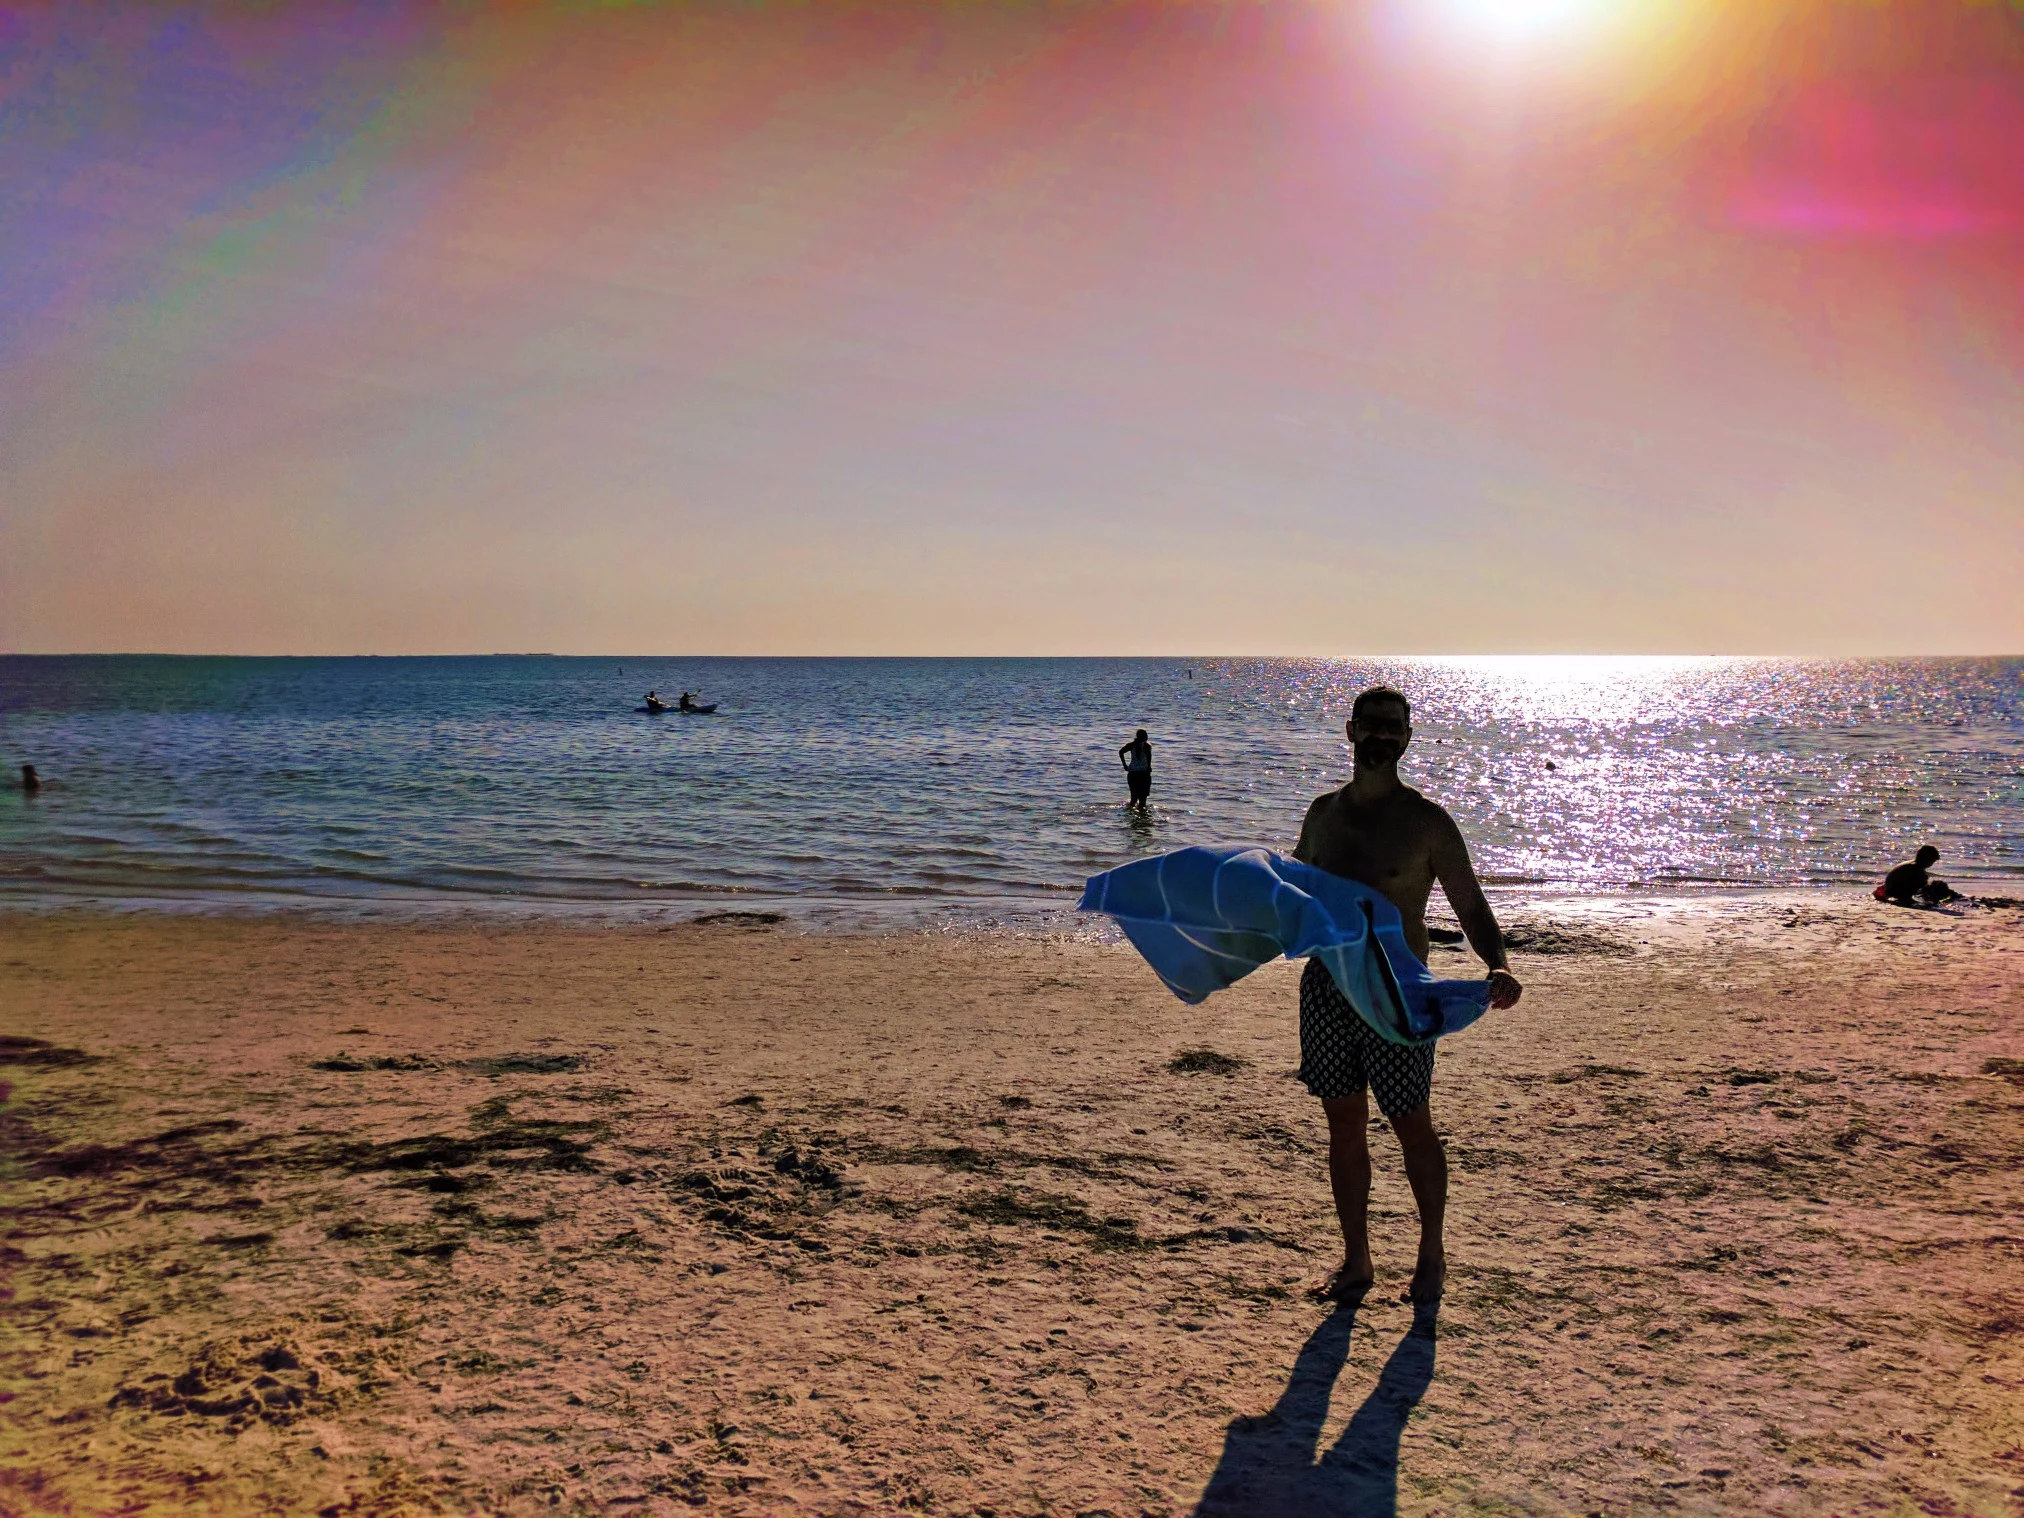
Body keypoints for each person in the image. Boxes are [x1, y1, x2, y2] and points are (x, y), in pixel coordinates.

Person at [1291, 686, 1522, 1307]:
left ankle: (1431, 1255)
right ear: (1351, 731)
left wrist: (1497, 964)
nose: (1382, 737)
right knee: (1343, 1125)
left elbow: (1471, 905)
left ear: (1408, 737)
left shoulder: (1426, 823)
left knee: (1409, 1123)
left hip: (1399, 995)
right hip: (1328, 988)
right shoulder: (1323, 816)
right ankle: (1357, 1260)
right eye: (1372, 726)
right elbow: (1293, 892)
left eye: (1394, 728)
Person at [1876, 845, 1959, 907]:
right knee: (1938, 887)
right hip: (1896, 893)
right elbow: (1923, 888)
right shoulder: (1916, 869)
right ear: (1928, 859)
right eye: (1932, 861)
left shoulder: (1910, 864)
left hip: (1891, 890)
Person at [1118, 729, 1153, 806]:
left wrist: (1125, 765)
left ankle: (1131, 815)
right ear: (1145, 736)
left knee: (1133, 799)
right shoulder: (1147, 746)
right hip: (1143, 773)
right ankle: (1141, 816)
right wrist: (1149, 767)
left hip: (1132, 773)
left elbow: (1121, 752)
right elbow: (1149, 759)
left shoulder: (1131, 745)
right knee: (1142, 800)